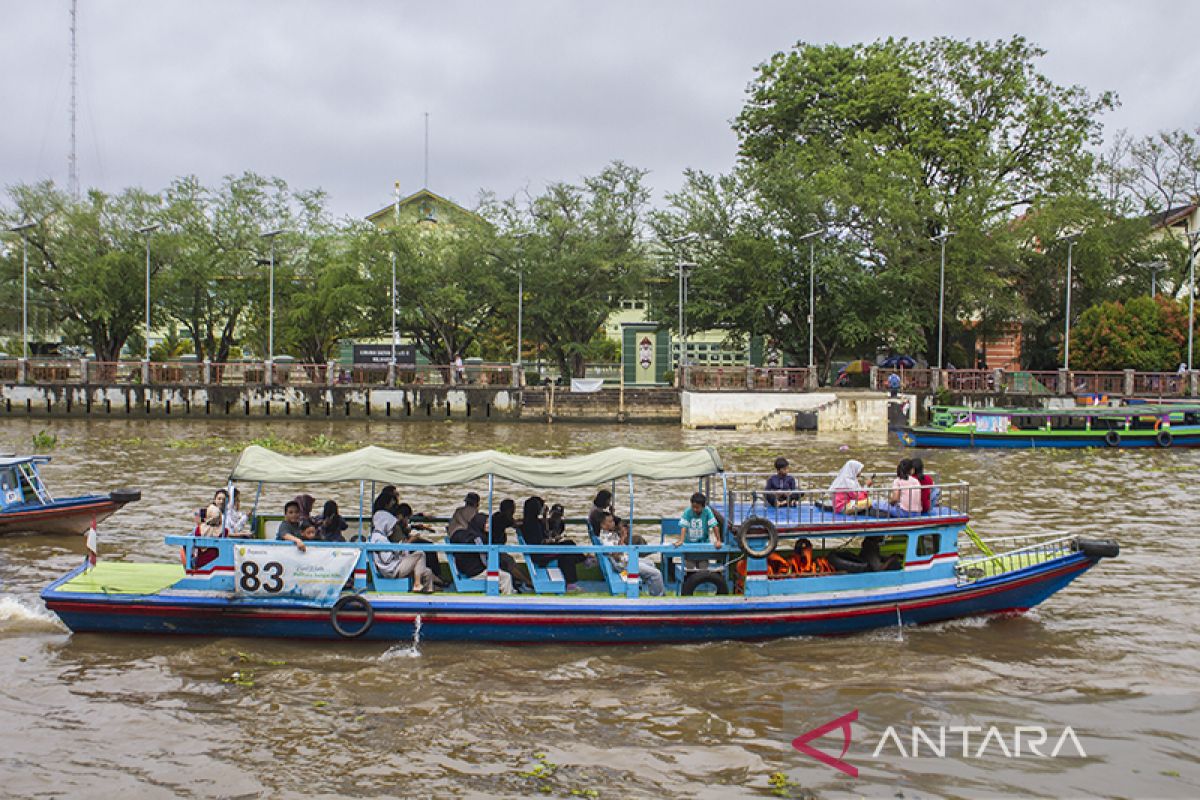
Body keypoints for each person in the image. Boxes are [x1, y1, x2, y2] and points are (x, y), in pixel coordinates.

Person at [370, 496, 434, 593]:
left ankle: (427, 593)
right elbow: (386, 558)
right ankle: (417, 584)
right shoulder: (379, 538)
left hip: (396, 565)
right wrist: (398, 550)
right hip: (392, 570)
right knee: (420, 554)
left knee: (428, 572)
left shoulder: (381, 536)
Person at [520, 495, 585, 590]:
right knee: (569, 544)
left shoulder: (530, 522)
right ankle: (583, 562)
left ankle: (571, 583)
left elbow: (543, 535)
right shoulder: (534, 525)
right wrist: (550, 541)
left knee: (568, 555)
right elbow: (540, 542)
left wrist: (545, 517)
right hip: (540, 554)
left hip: (540, 551)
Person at [597, 511, 663, 596]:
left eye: (612, 521)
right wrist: (623, 538)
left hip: (627, 559)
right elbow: (616, 555)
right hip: (624, 564)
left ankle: (653, 591)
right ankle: (658, 598)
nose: (613, 523)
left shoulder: (611, 534)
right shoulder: (605, 539)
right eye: (610, 522)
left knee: (650, 563)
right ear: (602, 525)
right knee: (656, 574)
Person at [449, 512, 514, 594]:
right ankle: (505, 601)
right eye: (486, 523)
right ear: (480, 523)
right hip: (475, 572)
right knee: (506, 577)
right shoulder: (472, 537)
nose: (488, 525)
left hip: (476, 570)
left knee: (503, 567)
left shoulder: (479, 536)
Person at [674, 492, 721, 571]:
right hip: (690, 547)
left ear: (703, 506)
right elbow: (684, 527)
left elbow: (714, 526)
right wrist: (681, 540)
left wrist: (718, 540)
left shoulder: (707, 511)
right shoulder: (688, 512)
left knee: (703, 568)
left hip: (703, 546)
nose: (695, 509)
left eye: (697, 507)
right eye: (693, 507)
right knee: (689, 568)